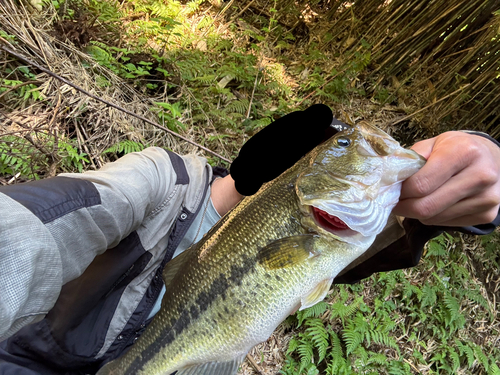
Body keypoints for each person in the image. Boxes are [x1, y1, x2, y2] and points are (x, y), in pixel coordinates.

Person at [0, 104, 499, 374]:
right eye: (342, 145)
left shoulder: (330, 232)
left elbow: (390, 239)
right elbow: (28, 226)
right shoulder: (157, 182)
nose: (361, 147)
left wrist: (476, 165)